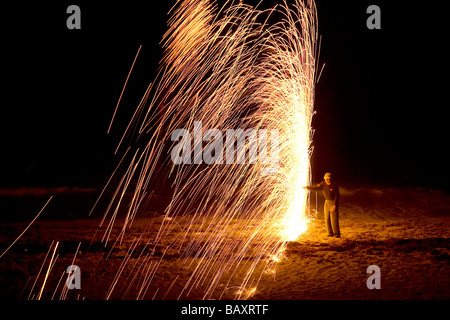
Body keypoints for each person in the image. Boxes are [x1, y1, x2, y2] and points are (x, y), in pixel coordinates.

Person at [304, 172, 340, 238]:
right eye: (326, 179)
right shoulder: (323, 184)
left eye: (329, 179)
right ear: (324, 179)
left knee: (333, 219)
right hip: (326, 202)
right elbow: (317, 188)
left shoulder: (334, 185)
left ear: (331, 179)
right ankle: (330, 233)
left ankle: (336, 234)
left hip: (333, 202)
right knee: (327, 218)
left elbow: (337, 196)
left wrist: (335, 205)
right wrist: (308, 187)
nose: (328, 180)